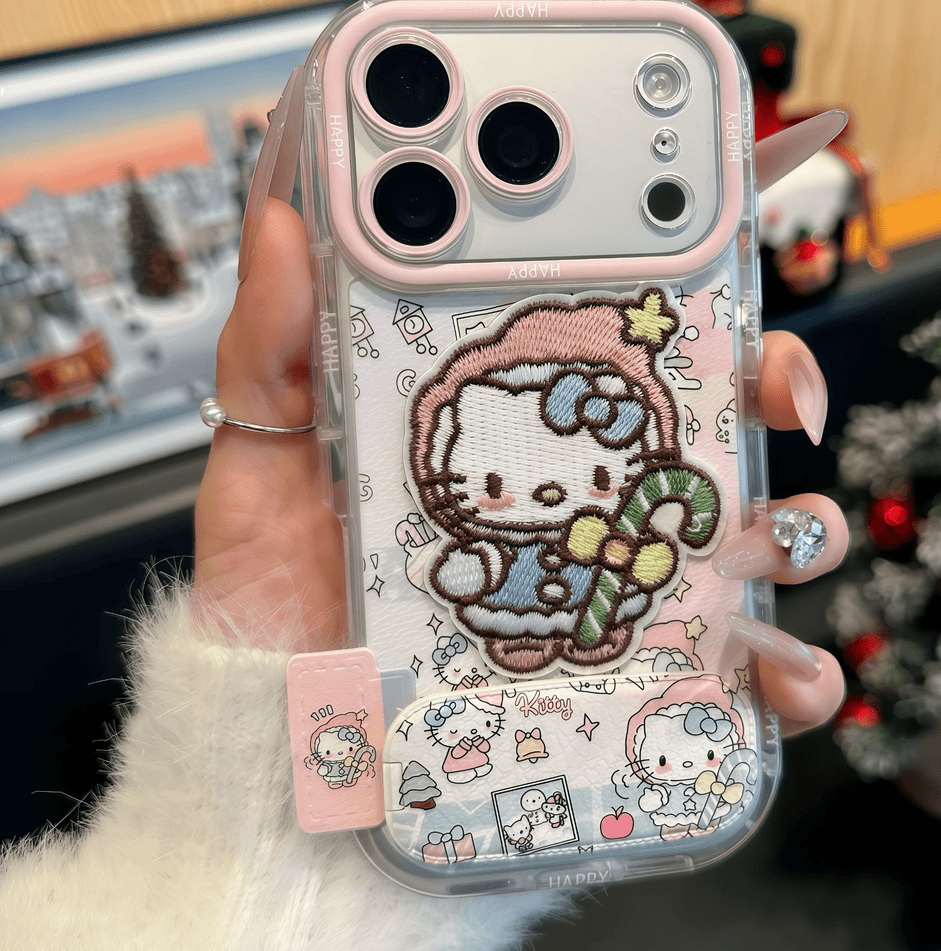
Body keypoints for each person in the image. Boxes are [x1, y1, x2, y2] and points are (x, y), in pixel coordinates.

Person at [0, 198, 846, 948]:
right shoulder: (477, 537)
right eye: (496, 475)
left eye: (589, 475)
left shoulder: (626, 525)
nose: (545, 494)